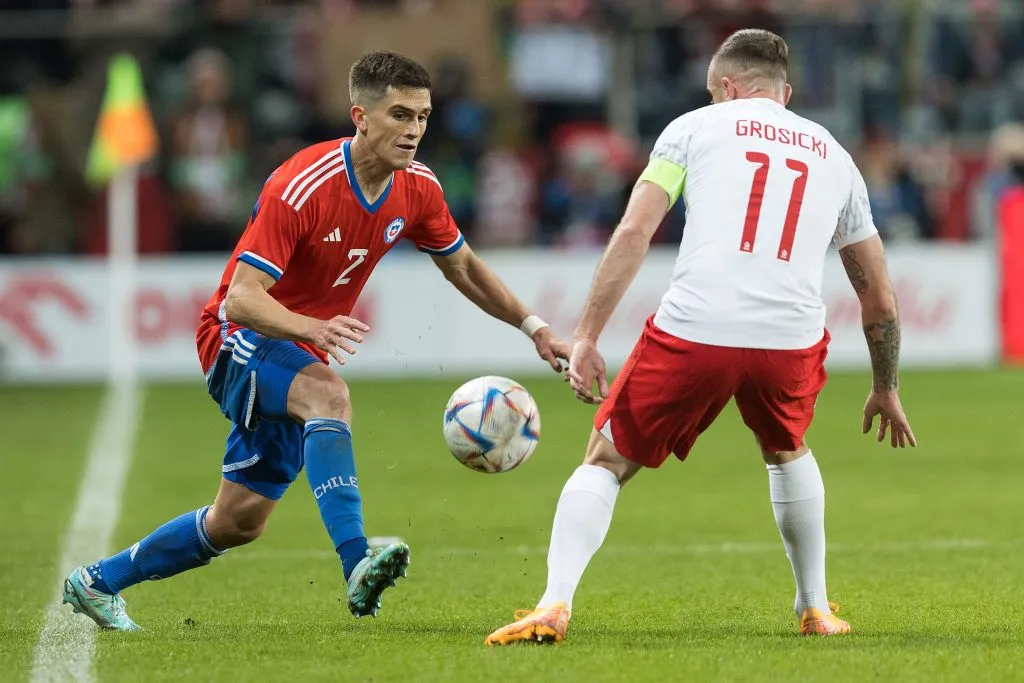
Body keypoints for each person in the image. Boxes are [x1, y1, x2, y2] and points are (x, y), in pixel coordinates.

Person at [62, 50, 570, 631]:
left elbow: (465, 268)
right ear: (361, 116)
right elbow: (241, 298)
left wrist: (535, 328)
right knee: (329, 397)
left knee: (239, 520)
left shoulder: (418, 189)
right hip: (237, 337)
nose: (414, 131)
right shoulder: (302, 185)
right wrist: (311, 328)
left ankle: (97, 582)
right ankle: (357, 562)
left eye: (423, 117)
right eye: (400, 115)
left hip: (297, 350)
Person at [485, 29, 916, 646]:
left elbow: (636, 229)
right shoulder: (836, 156)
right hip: (789, 339)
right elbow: (877, 292)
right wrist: (886, 385)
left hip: (698, 327)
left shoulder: (692, 128)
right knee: (787, 448)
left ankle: (553, 605)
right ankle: (815, 607)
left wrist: (585, 334)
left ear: (725, 87)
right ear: (784, 93)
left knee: (605, 459)